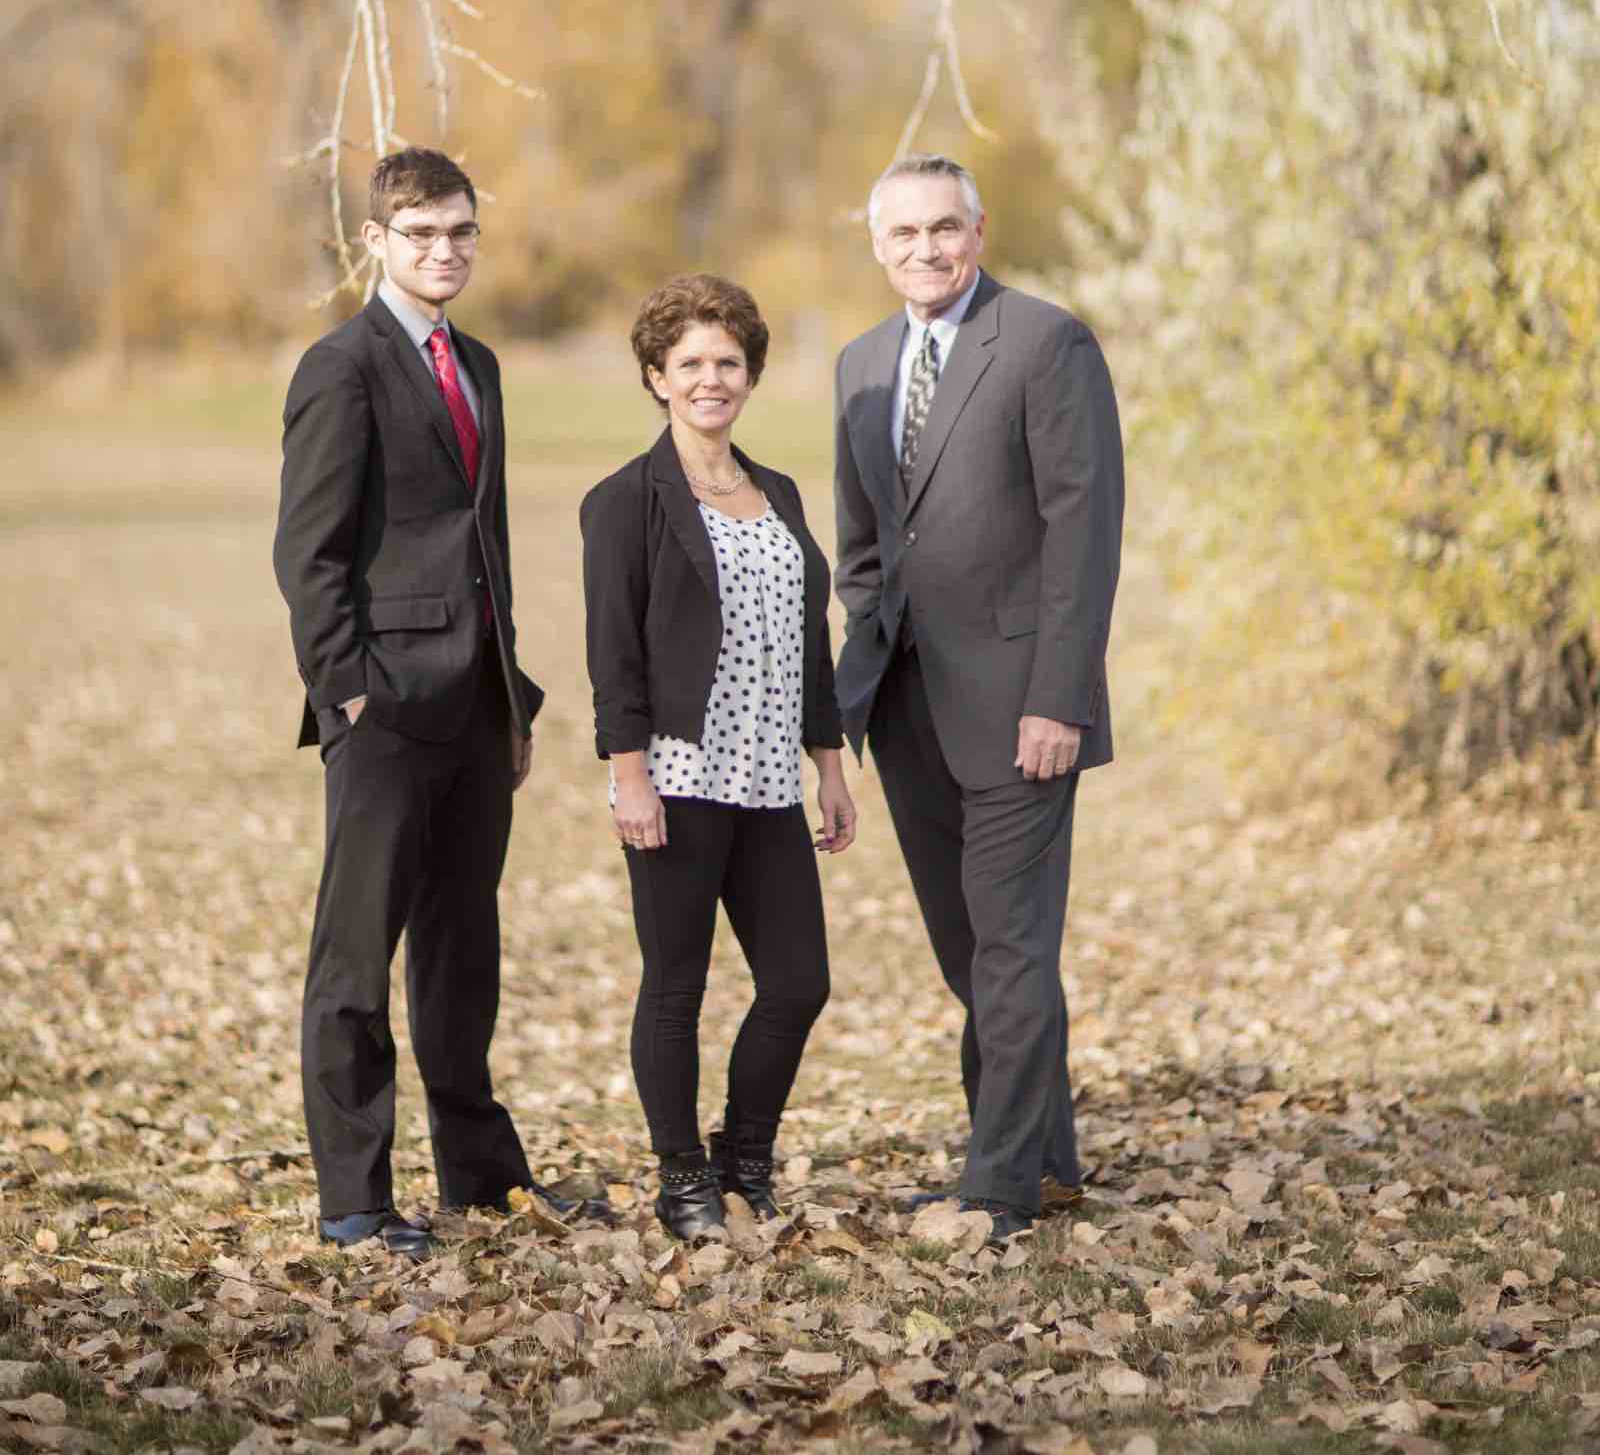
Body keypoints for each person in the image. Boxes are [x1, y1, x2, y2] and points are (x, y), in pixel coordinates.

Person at [274, 146, 570, 1258]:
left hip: (478, 707)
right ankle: (355, 1200)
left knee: (463, 951)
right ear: (376, 243)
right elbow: (308, 553)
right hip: (384, 710)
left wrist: (514, 701)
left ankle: (480, 1178)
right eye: (418, 235)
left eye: (458, 232)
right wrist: (347, 693)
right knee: (355, 961)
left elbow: (480, 543)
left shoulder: (479, 363)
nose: (441, 251)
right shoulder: (339, 367)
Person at [833, 154, 1123, 1245]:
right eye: (903, 233)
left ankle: (995, 1188)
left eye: (944, 228)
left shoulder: (1046, 344)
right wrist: (846, 701)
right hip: (903, 708)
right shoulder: (861, 364)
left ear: (979, 230)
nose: (925, 249)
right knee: (968, 953)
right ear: (878, 246)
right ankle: (1044, 1159)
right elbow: (863, 548)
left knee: (1009, 948)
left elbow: (1081, 538)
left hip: (1018, 708)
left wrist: (1061, 697)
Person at [582, 274, 856, 1239]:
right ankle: (681, 1176)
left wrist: (829, 761)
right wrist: (628, 777)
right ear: (657, 377)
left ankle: (745, 1153)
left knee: (797, 982)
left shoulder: (775, 492)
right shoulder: (624, 502)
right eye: (690, 363)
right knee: (677, 985)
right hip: (679, 779)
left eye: (728, 363)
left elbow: (810, 635)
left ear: (750, 375)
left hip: (771, 781)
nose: (711, 379)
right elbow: (612, 654)